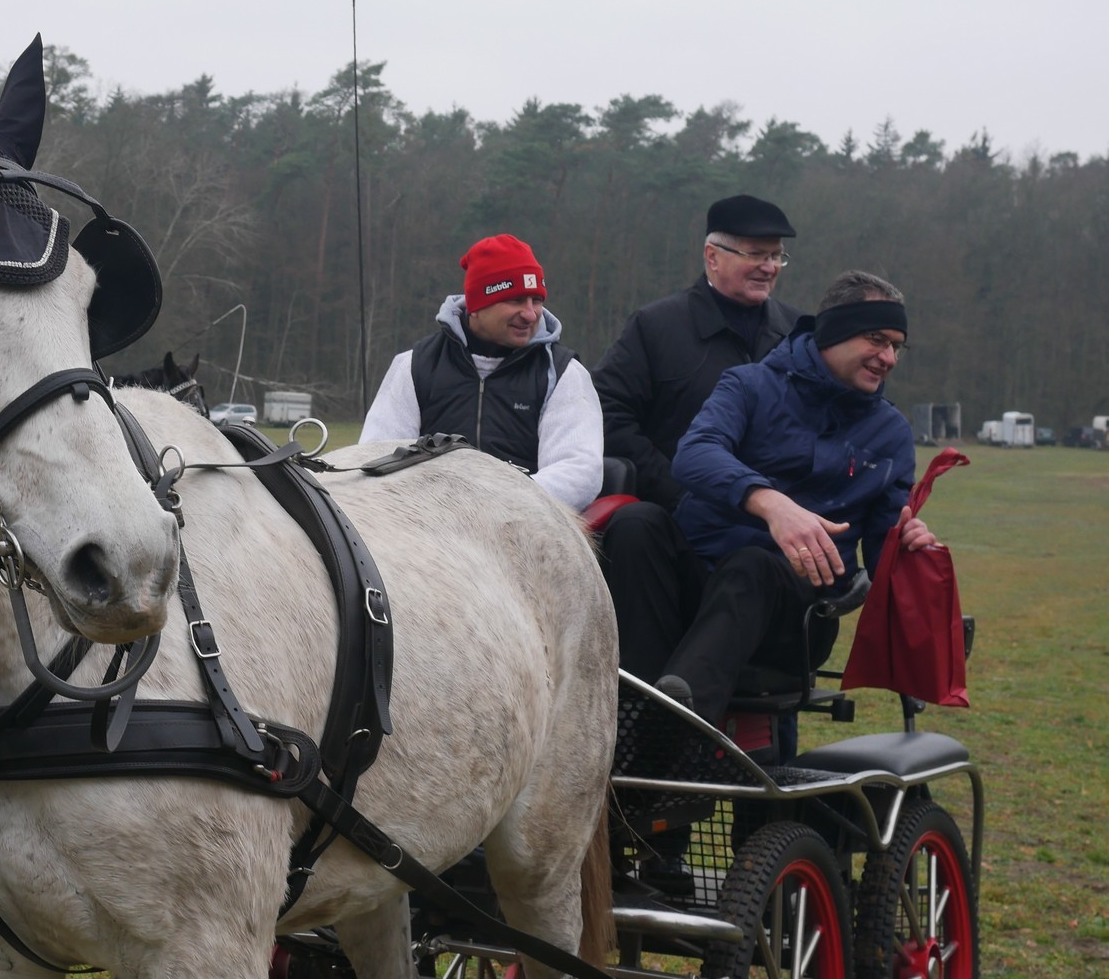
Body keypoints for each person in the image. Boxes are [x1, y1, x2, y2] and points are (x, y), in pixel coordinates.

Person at [614, 271, 937, 726]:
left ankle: (672, 725)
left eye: (896, 347)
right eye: (877, 340)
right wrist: (771, 504)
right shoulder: (748, 385)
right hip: (698, 587)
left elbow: (884, 556)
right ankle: (628, 703)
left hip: (794, 618)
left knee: (754, 563)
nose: (888, 358)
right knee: (636, 524)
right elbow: (695, 454)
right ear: (835, 332)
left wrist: (908, 547)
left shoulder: (891, 433)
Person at [361, 233, 603, 511]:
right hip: (425, 524)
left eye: (536, 300)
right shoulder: (414, 366)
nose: (531, 314)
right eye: (515, 301)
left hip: (526, 529)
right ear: (477, 306)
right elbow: (378, 456)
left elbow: (579, 469)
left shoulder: (564, 374)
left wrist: (492, 507)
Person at [592, 195, 805, 511]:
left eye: (776, 256)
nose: (769, 267)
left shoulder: (798, 335)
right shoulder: (655, 327)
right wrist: (677, 490)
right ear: (712, 256)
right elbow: (607, 414)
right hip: (676, 517)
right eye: (756, 254)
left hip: (779, 524)